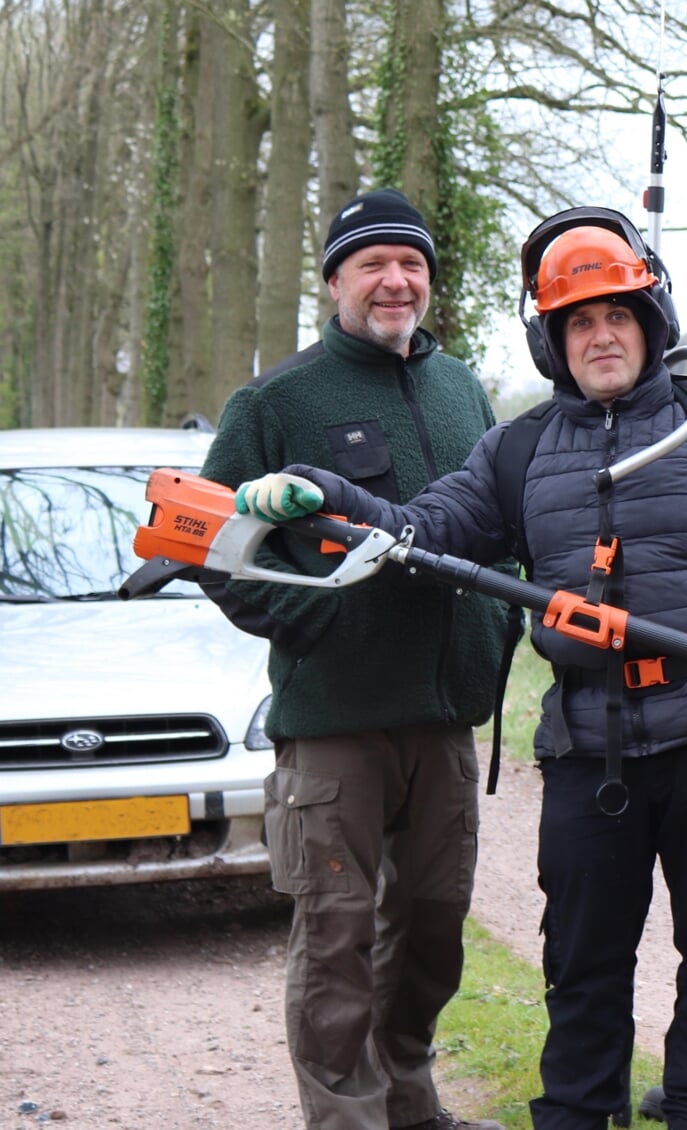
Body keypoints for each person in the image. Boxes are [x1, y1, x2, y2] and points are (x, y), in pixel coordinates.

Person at [229, 209, 687, 1130]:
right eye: (579, 322)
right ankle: (575, 1115)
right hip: (590, 747)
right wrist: (328, 492)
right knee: (583, 960)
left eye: (618, 316)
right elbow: (423, 530)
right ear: (553, 340)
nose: (602, 335)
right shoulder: (518, 450)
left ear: (651, 322)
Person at [198, 187, 514, 1130]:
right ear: (334, 280)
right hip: (336, 719)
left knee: (430, 930)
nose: (395, 280)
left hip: (445, 713)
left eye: (411, 263)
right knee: (335, 938)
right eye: (372, 264)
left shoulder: (463, 390)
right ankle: (346, 1117)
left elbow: (502, 518)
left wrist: (499, 629)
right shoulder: (277, 401)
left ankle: (410, 1100)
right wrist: (304, 622)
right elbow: (203, 541)